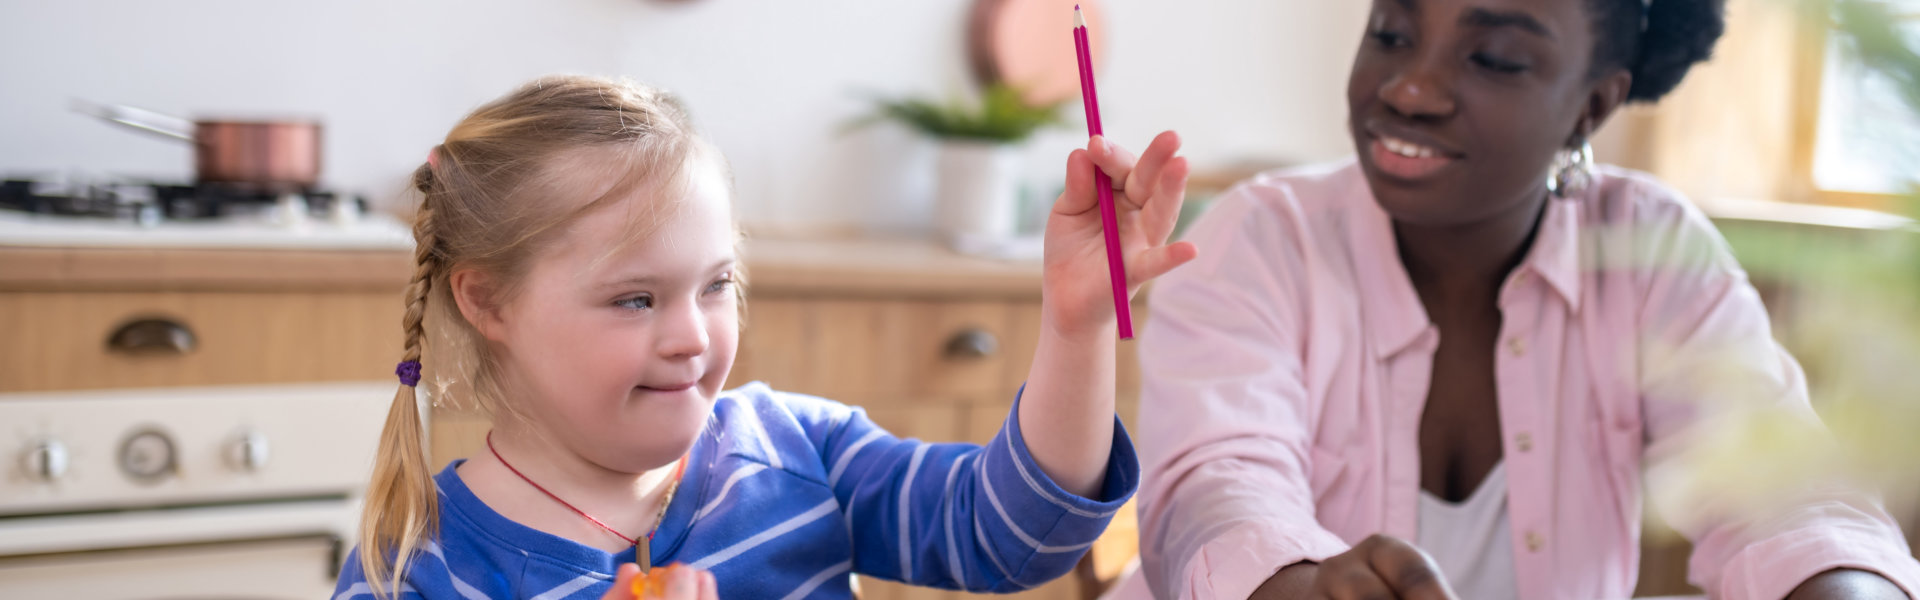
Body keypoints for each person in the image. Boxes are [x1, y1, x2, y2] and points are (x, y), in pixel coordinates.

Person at [1122, 0, 1920, 598]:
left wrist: (1850, 584)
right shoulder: (1262, 236)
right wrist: (1294, 583)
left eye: (1495, 59)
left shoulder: (1651, 250)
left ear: (1592, 106)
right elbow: (1215, 483)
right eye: (1392, 34)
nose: (1409, 89)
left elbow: (1780, 491)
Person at [332, 74, 1199, 600]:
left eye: (715, 286)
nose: (690, 337)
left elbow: (1019, 536)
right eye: (635, 299)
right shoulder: (418, 570)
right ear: (488, 303)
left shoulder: (798, 451)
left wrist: (1077, 326)